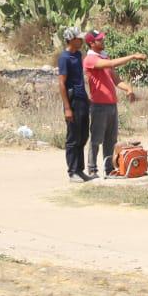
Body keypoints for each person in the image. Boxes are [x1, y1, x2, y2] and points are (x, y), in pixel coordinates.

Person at [81, 31, 146, 179]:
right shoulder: (90, 59)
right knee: (96, 139)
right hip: (99, 106)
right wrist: (132, 56)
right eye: (99, 40)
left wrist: (128, 89)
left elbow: (116, 80)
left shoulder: (104, 57)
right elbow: (111, 64)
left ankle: (109, 169)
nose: (103, 40)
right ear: (91, 43)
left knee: (111, 140)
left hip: (111, 105)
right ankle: (92, 169)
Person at [56, 27, 91, 182]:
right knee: (73, 137)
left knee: (83, 136)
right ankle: (72, 172)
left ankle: (80, 170)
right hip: (73, 101)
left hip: (82, 99)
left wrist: (86, 97)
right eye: (79, 38)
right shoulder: (64, 58)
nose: (81, 41)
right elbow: (62, 83)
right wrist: (67, 108)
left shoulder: (78, 54)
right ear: (71, 39)